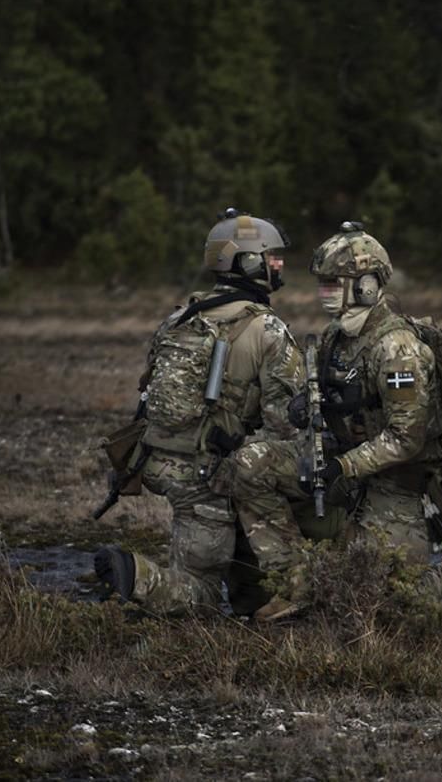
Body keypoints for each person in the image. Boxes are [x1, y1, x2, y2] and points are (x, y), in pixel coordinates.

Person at [93, 209, 332, 616]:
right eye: (271, 255)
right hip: (208, 473)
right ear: (248, 261)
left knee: (202, 554)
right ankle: (139, 577)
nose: (279, 264)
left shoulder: (180, 317)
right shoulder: (266, 328)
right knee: (199, 593)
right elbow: (287, 423)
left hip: (162, 464)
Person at [251, 221, 442, 618]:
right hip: (348, 473)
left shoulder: (397, 348)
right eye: (322, 284)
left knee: (377, 604)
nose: (324, 293)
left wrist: (344, 466)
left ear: (366, 286)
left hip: (396, 485)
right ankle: (294, 583)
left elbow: (405, 438)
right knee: (250, 466)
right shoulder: (334, 337)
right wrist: (306, 407)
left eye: (333, 283)